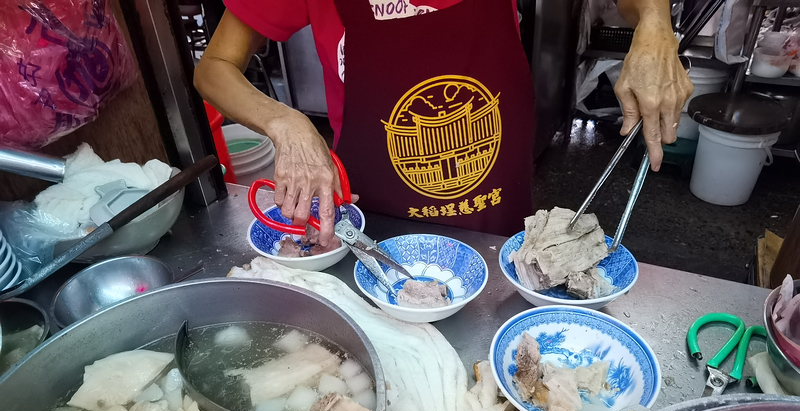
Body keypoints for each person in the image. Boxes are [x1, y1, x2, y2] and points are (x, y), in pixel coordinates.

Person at [195, 0, 692, 245]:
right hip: (377, 219)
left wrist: (654, 22)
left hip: (495, 203)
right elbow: (214, 68)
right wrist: (287, 124)